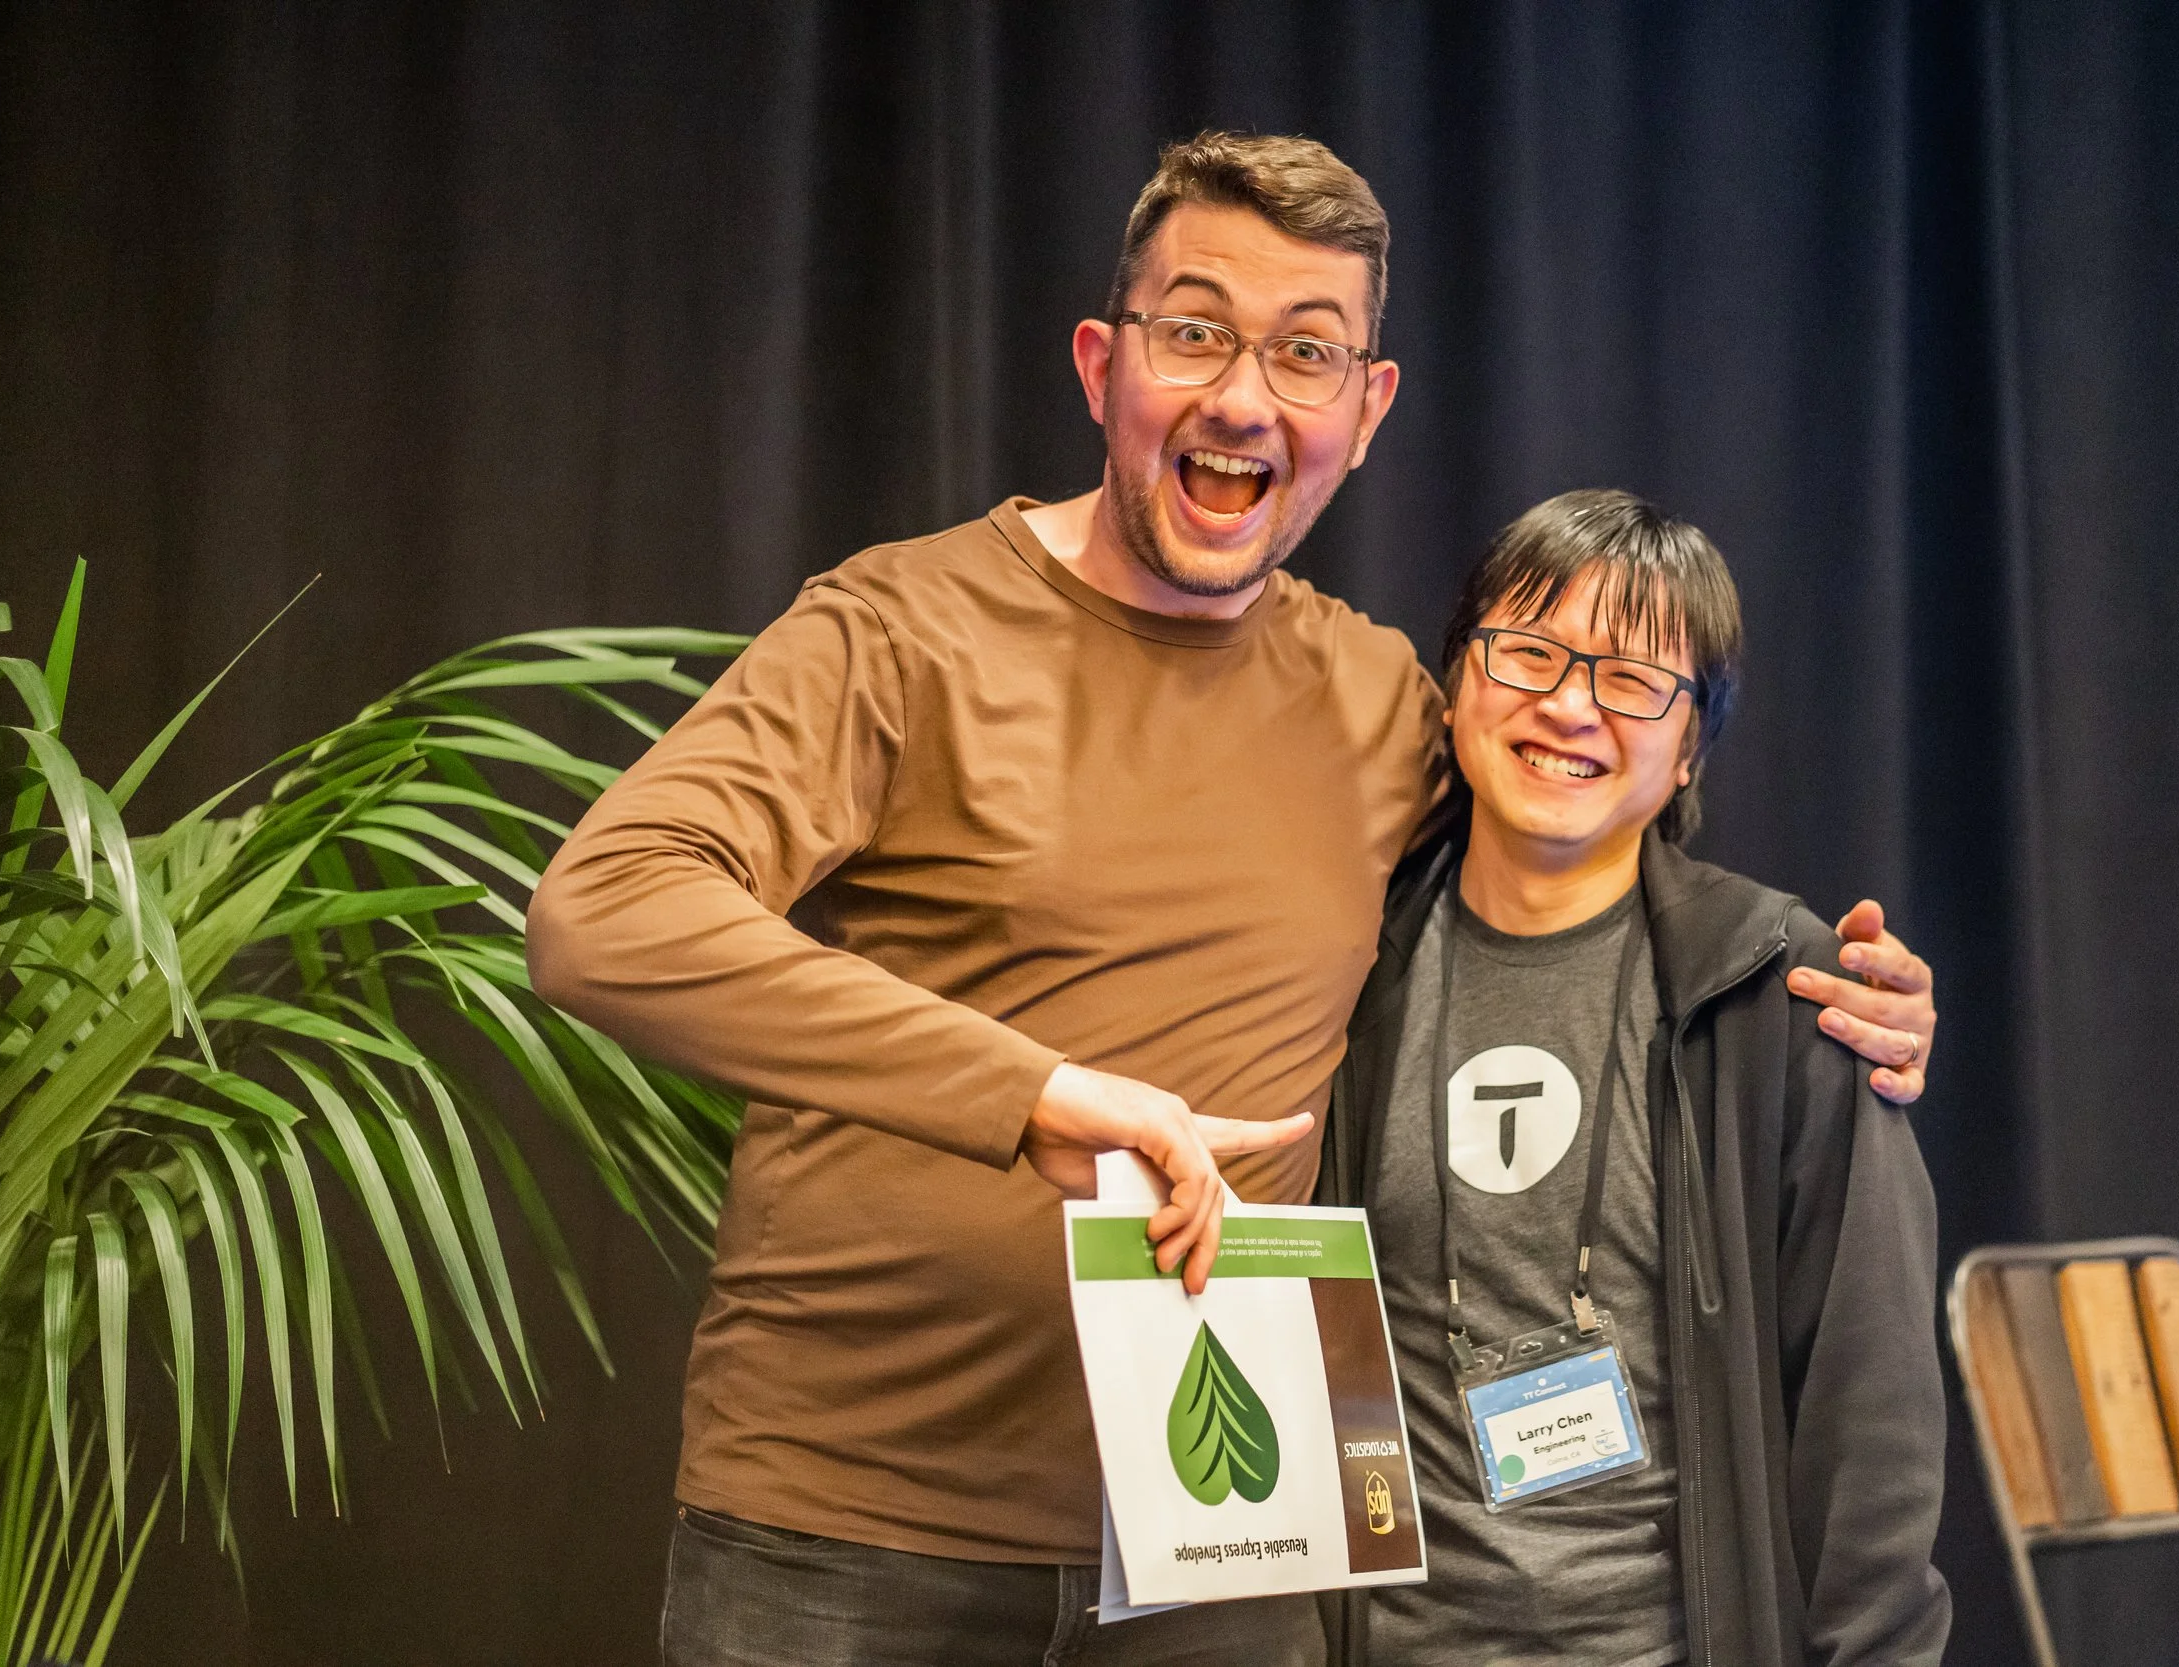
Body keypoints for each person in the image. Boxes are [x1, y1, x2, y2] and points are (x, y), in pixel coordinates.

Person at [525, 134, 1938, 1667]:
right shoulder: (901, 628)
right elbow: (606, 907)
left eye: (1307, 352)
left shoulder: (1382, 701)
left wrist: (1832, 992)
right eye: (1195, 331)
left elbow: (1579, 807)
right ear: (1101, 364)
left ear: (1366, 408)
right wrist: (1037, 1093)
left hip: (1233, 1550)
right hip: (857, 1537)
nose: (1245, 396)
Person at [1316, 491, 1950, 1667]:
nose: (1567, 703)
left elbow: (1871, 1410)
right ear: (1458, 678)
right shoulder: (1342, 966)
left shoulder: (1781, 989)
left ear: (1691, 743)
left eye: (1631, 678)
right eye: (1531, 652)